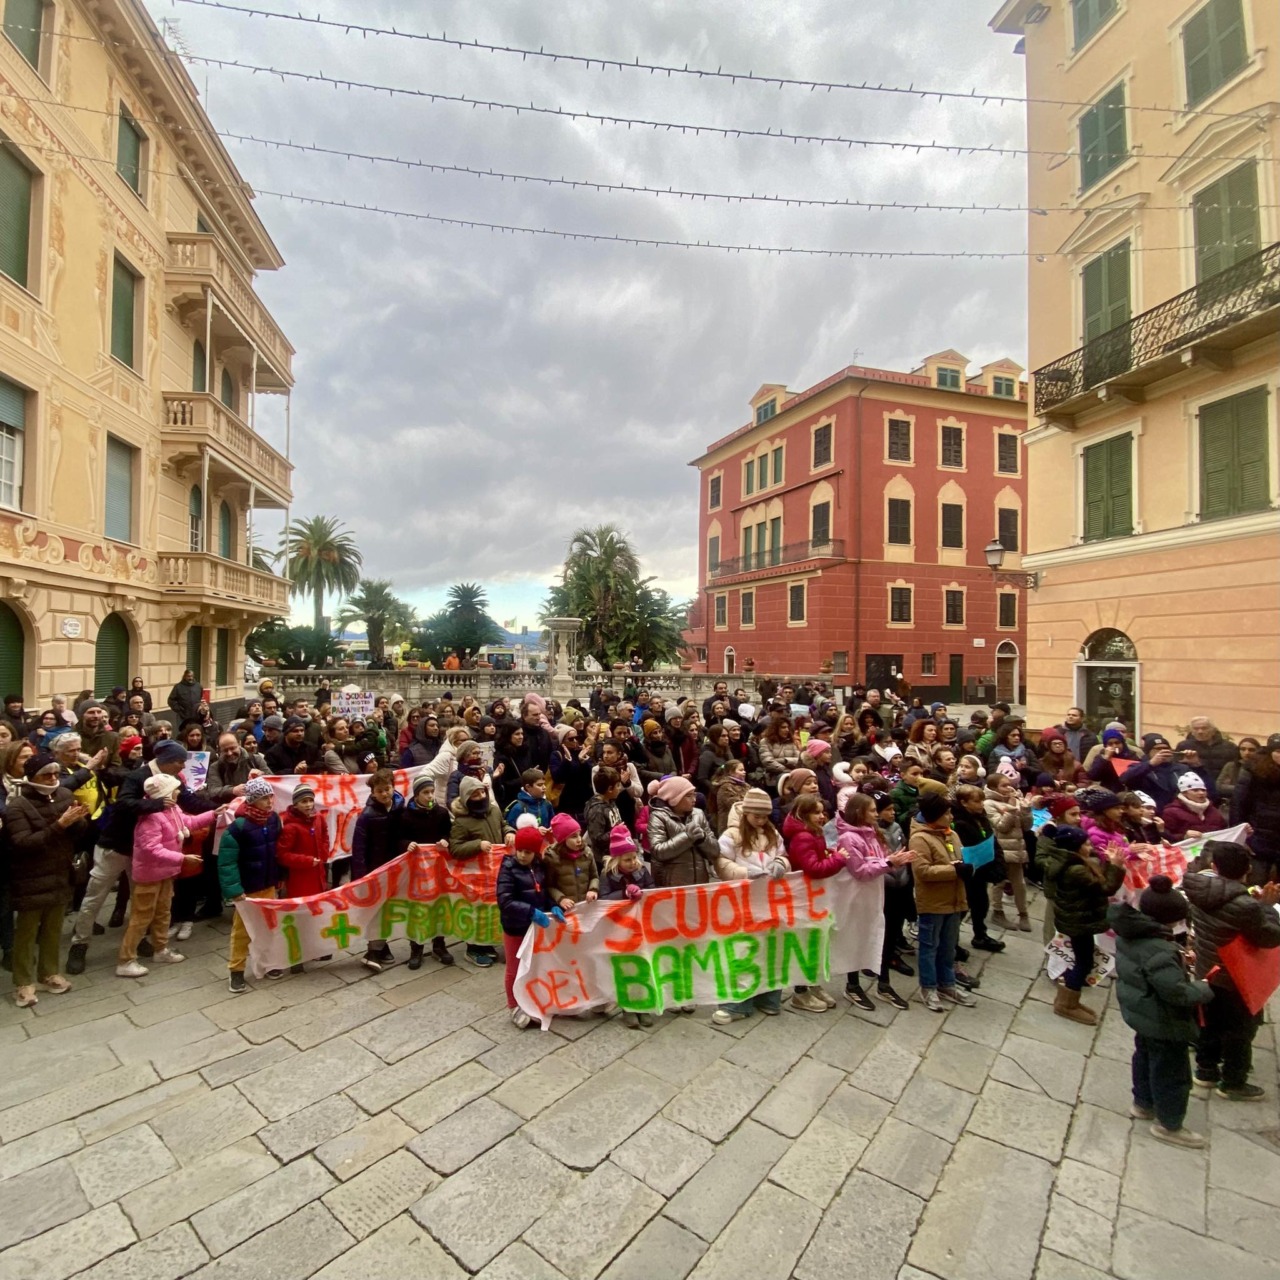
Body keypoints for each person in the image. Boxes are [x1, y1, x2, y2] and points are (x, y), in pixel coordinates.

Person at [1108, 875, 1214, 1148]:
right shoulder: (1159, 950)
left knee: (1144, 1057)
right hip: (1163, 1020)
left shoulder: (1131, 933)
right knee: (1171, 1072)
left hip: (1142, 1014)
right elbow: (1176, 992)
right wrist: (1203, 988)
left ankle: (1143, 1102)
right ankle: (1169, 1123)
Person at [1183, 839, 1280, 1101]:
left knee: (1209, 1022)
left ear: (1214, 866)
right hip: (1235, 976)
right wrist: (1268, 908)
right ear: (1248, 869)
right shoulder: (1247, 906)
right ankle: (1233, 1081)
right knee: (1240, 1030)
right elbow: (1269, 937)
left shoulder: (1196, 887)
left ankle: (1206, 1070)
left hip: (1206, 968)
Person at [5, 754, 89, 1006]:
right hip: (31, 877)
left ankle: (49, 973)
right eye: (46, 775)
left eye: (55, 773)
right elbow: (23, 843)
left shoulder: (64, 794)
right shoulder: (18, 806)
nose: (53, 779)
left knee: (53, 928)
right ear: (32, 777)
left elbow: (77, 834)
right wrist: (60, 824)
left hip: (60, 871)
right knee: (27, 932)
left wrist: (79, 820)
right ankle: (23, 982)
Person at [119, 774, 218, 977]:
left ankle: (160, 949)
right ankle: (126, 959)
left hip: (166, 872)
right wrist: (182, 858)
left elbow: (188, 822)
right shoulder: (150, 817)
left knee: (164, 911)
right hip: (150, 875)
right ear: (165, 794)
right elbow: (151, 849)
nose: (179, 792)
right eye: (175, 789)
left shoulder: (172, 809)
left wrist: (213, 814)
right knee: (142, 916)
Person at [1041, 824, 1126, 1025]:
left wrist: (1108, 862)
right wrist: (1116, 866)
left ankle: (1068, 999)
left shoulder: (1073, 862)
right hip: (1079, 923)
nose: (1091, 847)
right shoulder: (1076, 869)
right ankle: (1067, 1003)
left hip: (1077, 919)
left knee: (1083, 960)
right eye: (1087, 844)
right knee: (1083, 963)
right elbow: (1105, 887)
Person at [837, 791, 915, 1010]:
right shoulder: (848, 838)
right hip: (858, 898)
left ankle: (884, 983)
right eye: (872, 810)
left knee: (883, 936)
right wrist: (889, 863)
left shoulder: (873, 832)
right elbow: (860, 870)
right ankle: (853, 985)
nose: (876, 814)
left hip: (878, 894)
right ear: (859, 812)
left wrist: (895, 861)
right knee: (857, 938)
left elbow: (879, 860)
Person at [909, 791, 976, 1013]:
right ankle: (928, 987)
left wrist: (967, 865)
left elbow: (960, 858)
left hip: (955, 900)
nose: (951, 817)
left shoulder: (951, 835)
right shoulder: (920, 839)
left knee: (948, 947)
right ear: (934, 815)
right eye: (946, 813)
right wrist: (954, 870)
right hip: (933, 902)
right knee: (929, 947)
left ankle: (947, 984)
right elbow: (923, 871)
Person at [218, 777, 284, 993]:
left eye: (270, 797)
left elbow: (278, 851)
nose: (269, 802)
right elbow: (227, 862)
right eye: (264, 798)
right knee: (242, 931)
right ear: (253, 801)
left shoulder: (273, 820)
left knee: (269, 926)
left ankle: (269, 962)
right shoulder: (238, 828)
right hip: (248, 890)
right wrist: (234, 890)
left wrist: (280, 876)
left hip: (268, 885)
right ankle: (236, 970)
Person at [779, 792, 844, 1013]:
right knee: (805, 943)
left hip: (814, 898)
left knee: (814, 943)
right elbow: (813, 868)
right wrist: (838, 859)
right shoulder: (803, 837)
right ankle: (800, 992)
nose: (822, 816)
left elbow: (818, 857)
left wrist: (830, 854)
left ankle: (812, 983)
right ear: (804, 814)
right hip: (803, 899)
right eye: (816, 813)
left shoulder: (813, 833)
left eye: (822, 812)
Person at [496, 824, 557, 1029]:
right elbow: (505, 900)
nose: (522, 855)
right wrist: (531, 911)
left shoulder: (539, 866)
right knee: (514, 968)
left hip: (534, 927)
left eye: (528, 852)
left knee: (535, 966)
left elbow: (543, 892)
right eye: (520, 850)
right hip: (515, 926)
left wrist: (553, 906)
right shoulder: (508, 868)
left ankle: (533, 999)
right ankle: (514, 1005)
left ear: (535, 852)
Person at [395, 774, 455, 969]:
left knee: (439, 906)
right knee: (418, 909)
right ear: (416, 795)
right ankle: (416, 947)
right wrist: (407, 844)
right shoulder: (405, 816)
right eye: (425, 792)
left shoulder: (441, 813)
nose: (430, 796)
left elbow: (450, 833)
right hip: (416, 872)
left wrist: (446, 840)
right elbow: (398, 839)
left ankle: (439, 944)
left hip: (438, 869)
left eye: (432, 792)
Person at [449, 774, 507, 967]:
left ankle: (486, 944)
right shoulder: (461, 822)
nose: (481, 797)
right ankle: (473, 948)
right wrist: (477, 845)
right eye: (475, 794)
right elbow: (455, 848)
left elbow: (503, 825)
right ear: (467, 798)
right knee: (478, 911)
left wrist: (509, 833)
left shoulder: (494, 811)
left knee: (493, 909)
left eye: (482, 792)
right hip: (476, 877)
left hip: (496, 872)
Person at [351, 768, 405, 972]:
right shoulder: (367, 815)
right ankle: (372, 951)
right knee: (376, 910)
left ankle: (382, 946)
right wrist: (361, 876)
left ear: (393, 787)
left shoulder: (400, 807)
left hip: (396, 868)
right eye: (379, 790)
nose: (384, 793)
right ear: (373, 792)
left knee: (389, 909)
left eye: (387, 789)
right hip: (375, 870)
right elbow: (358, 848)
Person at [950, 784, 1006, 954]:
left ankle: (980, 935)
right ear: (964, 802)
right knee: (962, 907)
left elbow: (991, 839)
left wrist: (998, 862)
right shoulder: (957, 821)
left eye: (982, 800)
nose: (981, 804)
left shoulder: (981, 817)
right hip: (968, 871)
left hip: (982, 869)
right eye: (976, 801)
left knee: (981, 904)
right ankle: (952, 942)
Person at [647, 775, 719, 888]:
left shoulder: (698, 814)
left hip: (700, 883)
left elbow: (715, 851)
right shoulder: (658, 817)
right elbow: (658, 851)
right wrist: (687, 837)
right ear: (674, 798)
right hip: (671, 885)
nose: (694, 799)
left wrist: (703, 839)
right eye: (688, 796)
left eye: (694, 794)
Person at [984, 771, 1033, 932]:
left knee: (1019, 884)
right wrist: (1011, 809)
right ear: (994, 788)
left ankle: (1023, 913)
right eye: (1004, 785)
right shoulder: (989, 804)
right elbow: (1001, 826)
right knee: (998, 883)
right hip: (1000, 849)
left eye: (1009, 785)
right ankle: (997, 912)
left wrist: (1025, 809)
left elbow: (1026, 826)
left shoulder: (1014, 800)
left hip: (1017, 849)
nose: (1009, 788)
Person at [1230, 733, 1280, 884]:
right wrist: (1240, 835)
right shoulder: (1254, 770)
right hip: (1257, 837)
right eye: (1278, 751)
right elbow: (1238, 804)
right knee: (1256, 882)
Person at [543, 813, 599, 913]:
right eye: (573, 836)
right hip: (566, 910)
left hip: (586, 907)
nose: (579, 840)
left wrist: (593, 889)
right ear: (563, 840)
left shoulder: (587, 853)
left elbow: (594, 877)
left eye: (579, 834)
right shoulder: (552, 858)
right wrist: (560, 898)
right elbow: (549, 886)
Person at [1160, 773, 1228, 842]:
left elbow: (1224, 830)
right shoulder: (1171, 812)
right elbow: (1165, 836)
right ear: (1184, 793)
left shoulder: (1213, 810)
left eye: (1203, 790)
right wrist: (1184, 836)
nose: (1201, 793)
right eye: (1195, 790)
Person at [204, 733, 267, 803]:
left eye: (232, 748)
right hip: (230, 807)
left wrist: (261, 776)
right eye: (225, 750)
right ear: (219, 750)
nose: (230, 753)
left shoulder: (256, 760)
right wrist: (232, 790)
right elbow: (213, 791)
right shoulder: (215, 767)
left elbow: (273, 781)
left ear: (239, 744)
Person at [1216, 736, 1259, 804]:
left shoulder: (1262, 767)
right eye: (1243, 749)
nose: (1247, 753)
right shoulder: (1231, 766)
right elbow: (1219, 787)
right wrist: (1243, 789)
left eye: (1251, 750)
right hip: (1232, 803)